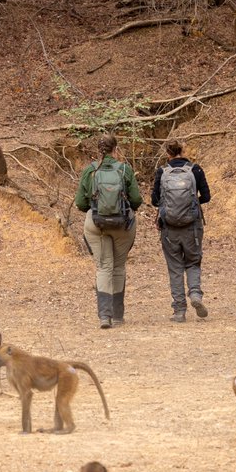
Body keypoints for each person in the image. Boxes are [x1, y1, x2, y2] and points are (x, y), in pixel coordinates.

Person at [75, 134, 143, 329]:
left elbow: (80, 202)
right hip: (123, 225)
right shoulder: (124, 169)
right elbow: (136, 199)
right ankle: (118, 315)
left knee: (104, 267)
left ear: (99, 150)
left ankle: (105, 316)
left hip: (97, 225)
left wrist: (96, 210)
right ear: (116, 149)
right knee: (118, 267)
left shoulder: (90, 171)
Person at [151, 140, 211, 323]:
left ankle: (179, 311)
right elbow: (206, 196)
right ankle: (195, 294)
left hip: (169, 229)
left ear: (167, 153)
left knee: (175, 267)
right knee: (193, 262)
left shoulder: (162, 172)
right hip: (192, 227)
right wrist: (191, 206)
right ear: (183, 151)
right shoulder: (196, 170)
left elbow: (154, 200)